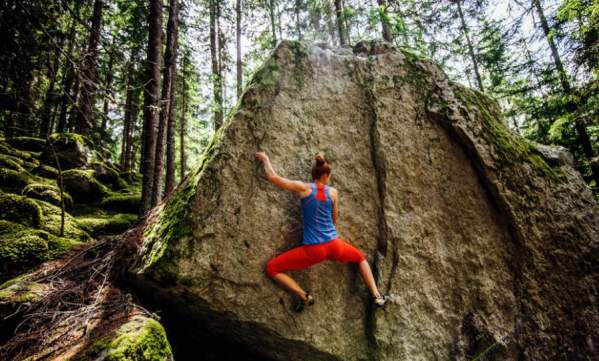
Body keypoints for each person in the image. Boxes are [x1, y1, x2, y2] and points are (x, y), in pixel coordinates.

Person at [256, 151, 388, 312]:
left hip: (313, 250)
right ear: (327, 176)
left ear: (314, 175)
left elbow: (274, 178)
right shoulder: (333, 193)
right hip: (335, 245)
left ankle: (304, 296)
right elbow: (334, 219)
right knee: (360, 258)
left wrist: (265, 159)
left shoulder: (304, 188)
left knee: (272, 268)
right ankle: (377, 295)